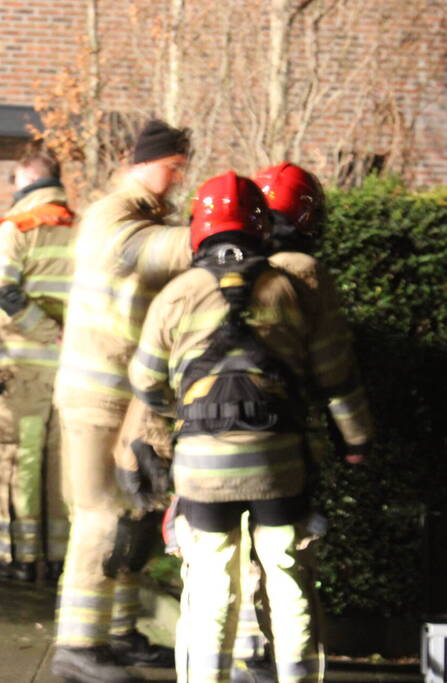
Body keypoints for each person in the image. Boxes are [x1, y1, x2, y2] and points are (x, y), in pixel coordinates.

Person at [129, 171, 373, 683]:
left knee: (212, 585)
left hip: (201, 469)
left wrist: (182, 418)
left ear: (199, 227)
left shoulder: (178, 293)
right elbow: (334, 376)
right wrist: (356, 441)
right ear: (259, 226)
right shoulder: (287, 288)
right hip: (279, 465)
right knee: (289, 583)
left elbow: (146, 381)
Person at [51, 119, 191, 683]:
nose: (178, 177)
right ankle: (77, 646)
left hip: (132, 400)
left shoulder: (154, 218)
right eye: (172, 166)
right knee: (100, 516)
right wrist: (214, 236)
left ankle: (119, 634)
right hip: (94, 397)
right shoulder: (114, 215)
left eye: (183, 167)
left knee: (134, 516)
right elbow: (144, 253)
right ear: (139, 161)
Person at [221, 161, 340, 683]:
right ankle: (284, 665)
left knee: (241, 555)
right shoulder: (308, 274)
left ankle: (250, 655)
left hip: (227, 435)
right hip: (293, 444)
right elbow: (331, 367)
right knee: (291, 565)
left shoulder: (239, 267)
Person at [0, 140, 74, 582]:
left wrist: (44, 328)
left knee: (20, 459)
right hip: (69, 370)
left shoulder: (16, 226)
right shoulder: (83, 227)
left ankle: (17, 559)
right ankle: (59, 559)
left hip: (24, 372)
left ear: (24, 178)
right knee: (61, 464)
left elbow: (5, 291)